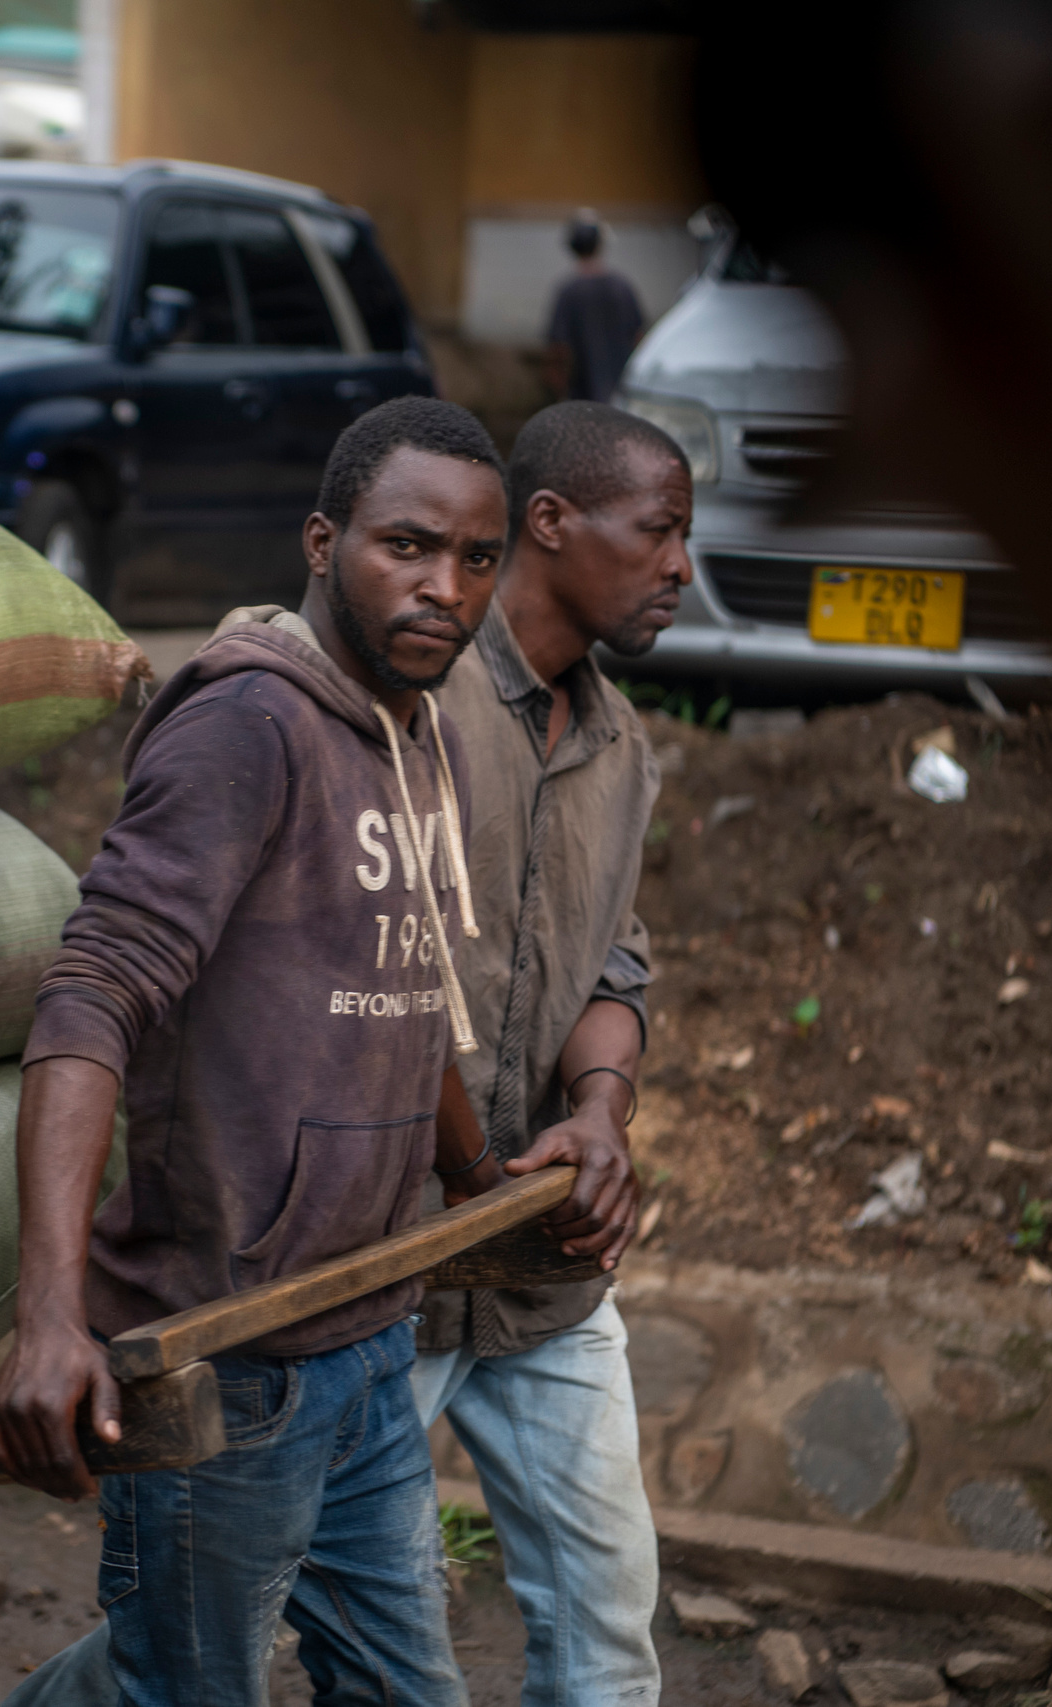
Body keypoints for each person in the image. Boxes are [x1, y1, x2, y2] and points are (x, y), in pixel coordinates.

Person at [0, 396, 626, 1707]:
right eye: (408, 546)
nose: (446, 587)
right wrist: (47, 1315)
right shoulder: (248, 727)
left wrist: (472, 1182)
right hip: (226, 1353)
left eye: (477, 558)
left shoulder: (423, 731)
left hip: (368, 1339)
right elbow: (93, 994)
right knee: (183, 1685)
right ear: (323, 543)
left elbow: (404, 996)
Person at [411, 401, 694, 1707]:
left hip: (538, 1269)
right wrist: (467, 1178)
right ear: (550, 521)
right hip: (379, 1273)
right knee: (222, 1635)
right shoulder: (415, 696)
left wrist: (600, 1110)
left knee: (607, 1635)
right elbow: (370, 983)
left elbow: (610, 959)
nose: (681, 565)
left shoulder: (619, 747)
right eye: (660, 530)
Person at [543, 211, 647, 402]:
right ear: (600, 244)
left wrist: (559, 389)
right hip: (622, 396)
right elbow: (639, 339)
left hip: (584, 401)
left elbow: (558, 349)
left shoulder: (568, 292)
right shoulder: (622, 288)